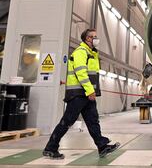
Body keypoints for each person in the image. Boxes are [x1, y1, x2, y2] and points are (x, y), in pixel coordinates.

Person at [43, 29, 120, 159]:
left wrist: (91, 91)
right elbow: (81, 73)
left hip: (86, 93)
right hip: (78, 94)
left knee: (93, 121)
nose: (96, 39)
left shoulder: (91, 53)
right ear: (87, 39)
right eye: (94, 37)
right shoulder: (81, 52)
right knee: (67, 121)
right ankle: (50, 148)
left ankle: (102, 146)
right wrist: (90, 90)